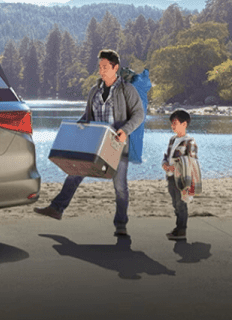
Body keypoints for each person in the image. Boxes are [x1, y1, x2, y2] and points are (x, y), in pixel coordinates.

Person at [34, 49, 145, 236]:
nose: (101, 71)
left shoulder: (127, 90)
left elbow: (139, 114)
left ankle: (121, 225)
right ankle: (56, 209)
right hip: (95, 145)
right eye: (100, 67)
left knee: (120, 187)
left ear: (115, 67)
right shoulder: (94, 91)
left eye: (105, 67)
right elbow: (88, 116)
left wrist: (125, 131)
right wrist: (77, 127)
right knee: (74, 173)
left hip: (117, 146)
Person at [162, 110, 197, 240]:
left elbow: (191, 162)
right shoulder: (172, 140)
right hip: (170, 176)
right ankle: (177, 228)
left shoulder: (190, 142)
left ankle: (182, 230)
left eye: (175, 123)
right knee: (175, 203)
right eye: (172, 123)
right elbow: (167, 156)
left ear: (184, 124)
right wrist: (164, 164)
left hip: (182, 179)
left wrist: (176, 167)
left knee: (181, 203)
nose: (173, 126)